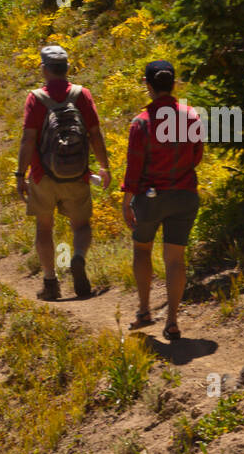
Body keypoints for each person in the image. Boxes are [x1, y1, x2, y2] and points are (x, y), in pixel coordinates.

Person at [15, 44, 110, 301]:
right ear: (67, 68)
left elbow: (28, 139)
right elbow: (95, 134)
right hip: (77, 174)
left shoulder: (36, 98)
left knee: (44, 227)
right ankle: (78, 256)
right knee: (81, 224)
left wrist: (19, 175)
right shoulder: (82, 95)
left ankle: (50, 282)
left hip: (42, 175)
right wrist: (105, 166)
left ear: (44, 69)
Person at [121, 60, 204, 341]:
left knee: (142, 249)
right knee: (175, 258)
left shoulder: (141, 123)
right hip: (184, 194)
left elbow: (134, 168)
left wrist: (127, 200)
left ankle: (144, 310)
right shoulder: (191, 116)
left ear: (148, 85)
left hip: (150, 197)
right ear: (174, 84)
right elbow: (196, 157)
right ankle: (172, 322)